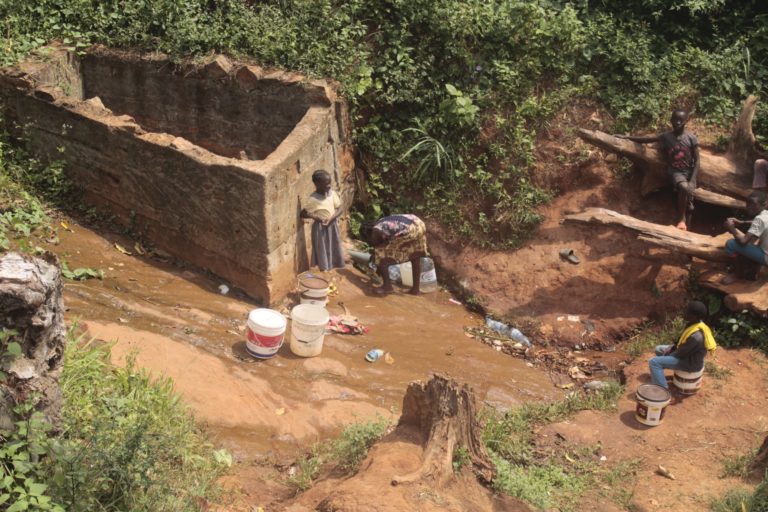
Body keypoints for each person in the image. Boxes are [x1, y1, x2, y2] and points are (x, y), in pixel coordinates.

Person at [615, 109, 700, 231]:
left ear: (686, 121)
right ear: (671, 120)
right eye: (675, 119)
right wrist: (626, 137)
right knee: (684, 188)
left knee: (690, 204)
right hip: (675, 172)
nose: (677, 122)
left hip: (689, 172)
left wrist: (693, 180)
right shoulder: (666, 137)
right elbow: (646, 140)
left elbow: (697, 160)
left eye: (681, 120)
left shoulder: (691, 138)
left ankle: (688, 227)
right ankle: (681, 219)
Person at [648, 301, 716, 390]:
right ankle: (660, 375)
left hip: (690, 363)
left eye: (687, 312)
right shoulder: (693, 324)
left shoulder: (696, 337)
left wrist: (668, 353)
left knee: (654, 362)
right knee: (658, 349)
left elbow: (679, 354)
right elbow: (680, 341)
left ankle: (662, 390)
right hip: (686, 354)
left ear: (694, 316)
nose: (684, 313)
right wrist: (672, 347)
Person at [362, 214, 428, 295]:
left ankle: (387, 287)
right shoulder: (381, 222)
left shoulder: (375, 231)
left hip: (408, 230)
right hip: (419, 224)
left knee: (380, 255)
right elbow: (389, 238)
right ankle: (416, 290)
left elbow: (378, 246)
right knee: (415, 256)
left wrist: (377, 260)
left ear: (367, 234)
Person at [300, 170, 345, 271]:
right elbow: (303, 213)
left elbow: (340, 208)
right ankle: (324, 268)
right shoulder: (313, 199)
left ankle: (332, 265)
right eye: (326, 184)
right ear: (317, 184)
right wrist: (315, 217)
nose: (329, 185)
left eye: (330, 182)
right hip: (320, 228)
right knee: (322, 248)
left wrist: (331, 218)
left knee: (334, 245)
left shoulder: (332, 193)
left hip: (332, 225)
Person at [722, 190, 768, 283]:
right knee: (754, 241)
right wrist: (742, 222)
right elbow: (760, 222)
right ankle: (753, 268)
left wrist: (732, 228)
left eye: (753, 204)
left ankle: (738, 274)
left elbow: (743, 241)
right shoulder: (765, 214)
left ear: (764, 204)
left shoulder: (759, 219)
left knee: (731, 244)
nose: (749, 207)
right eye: (748, 203)